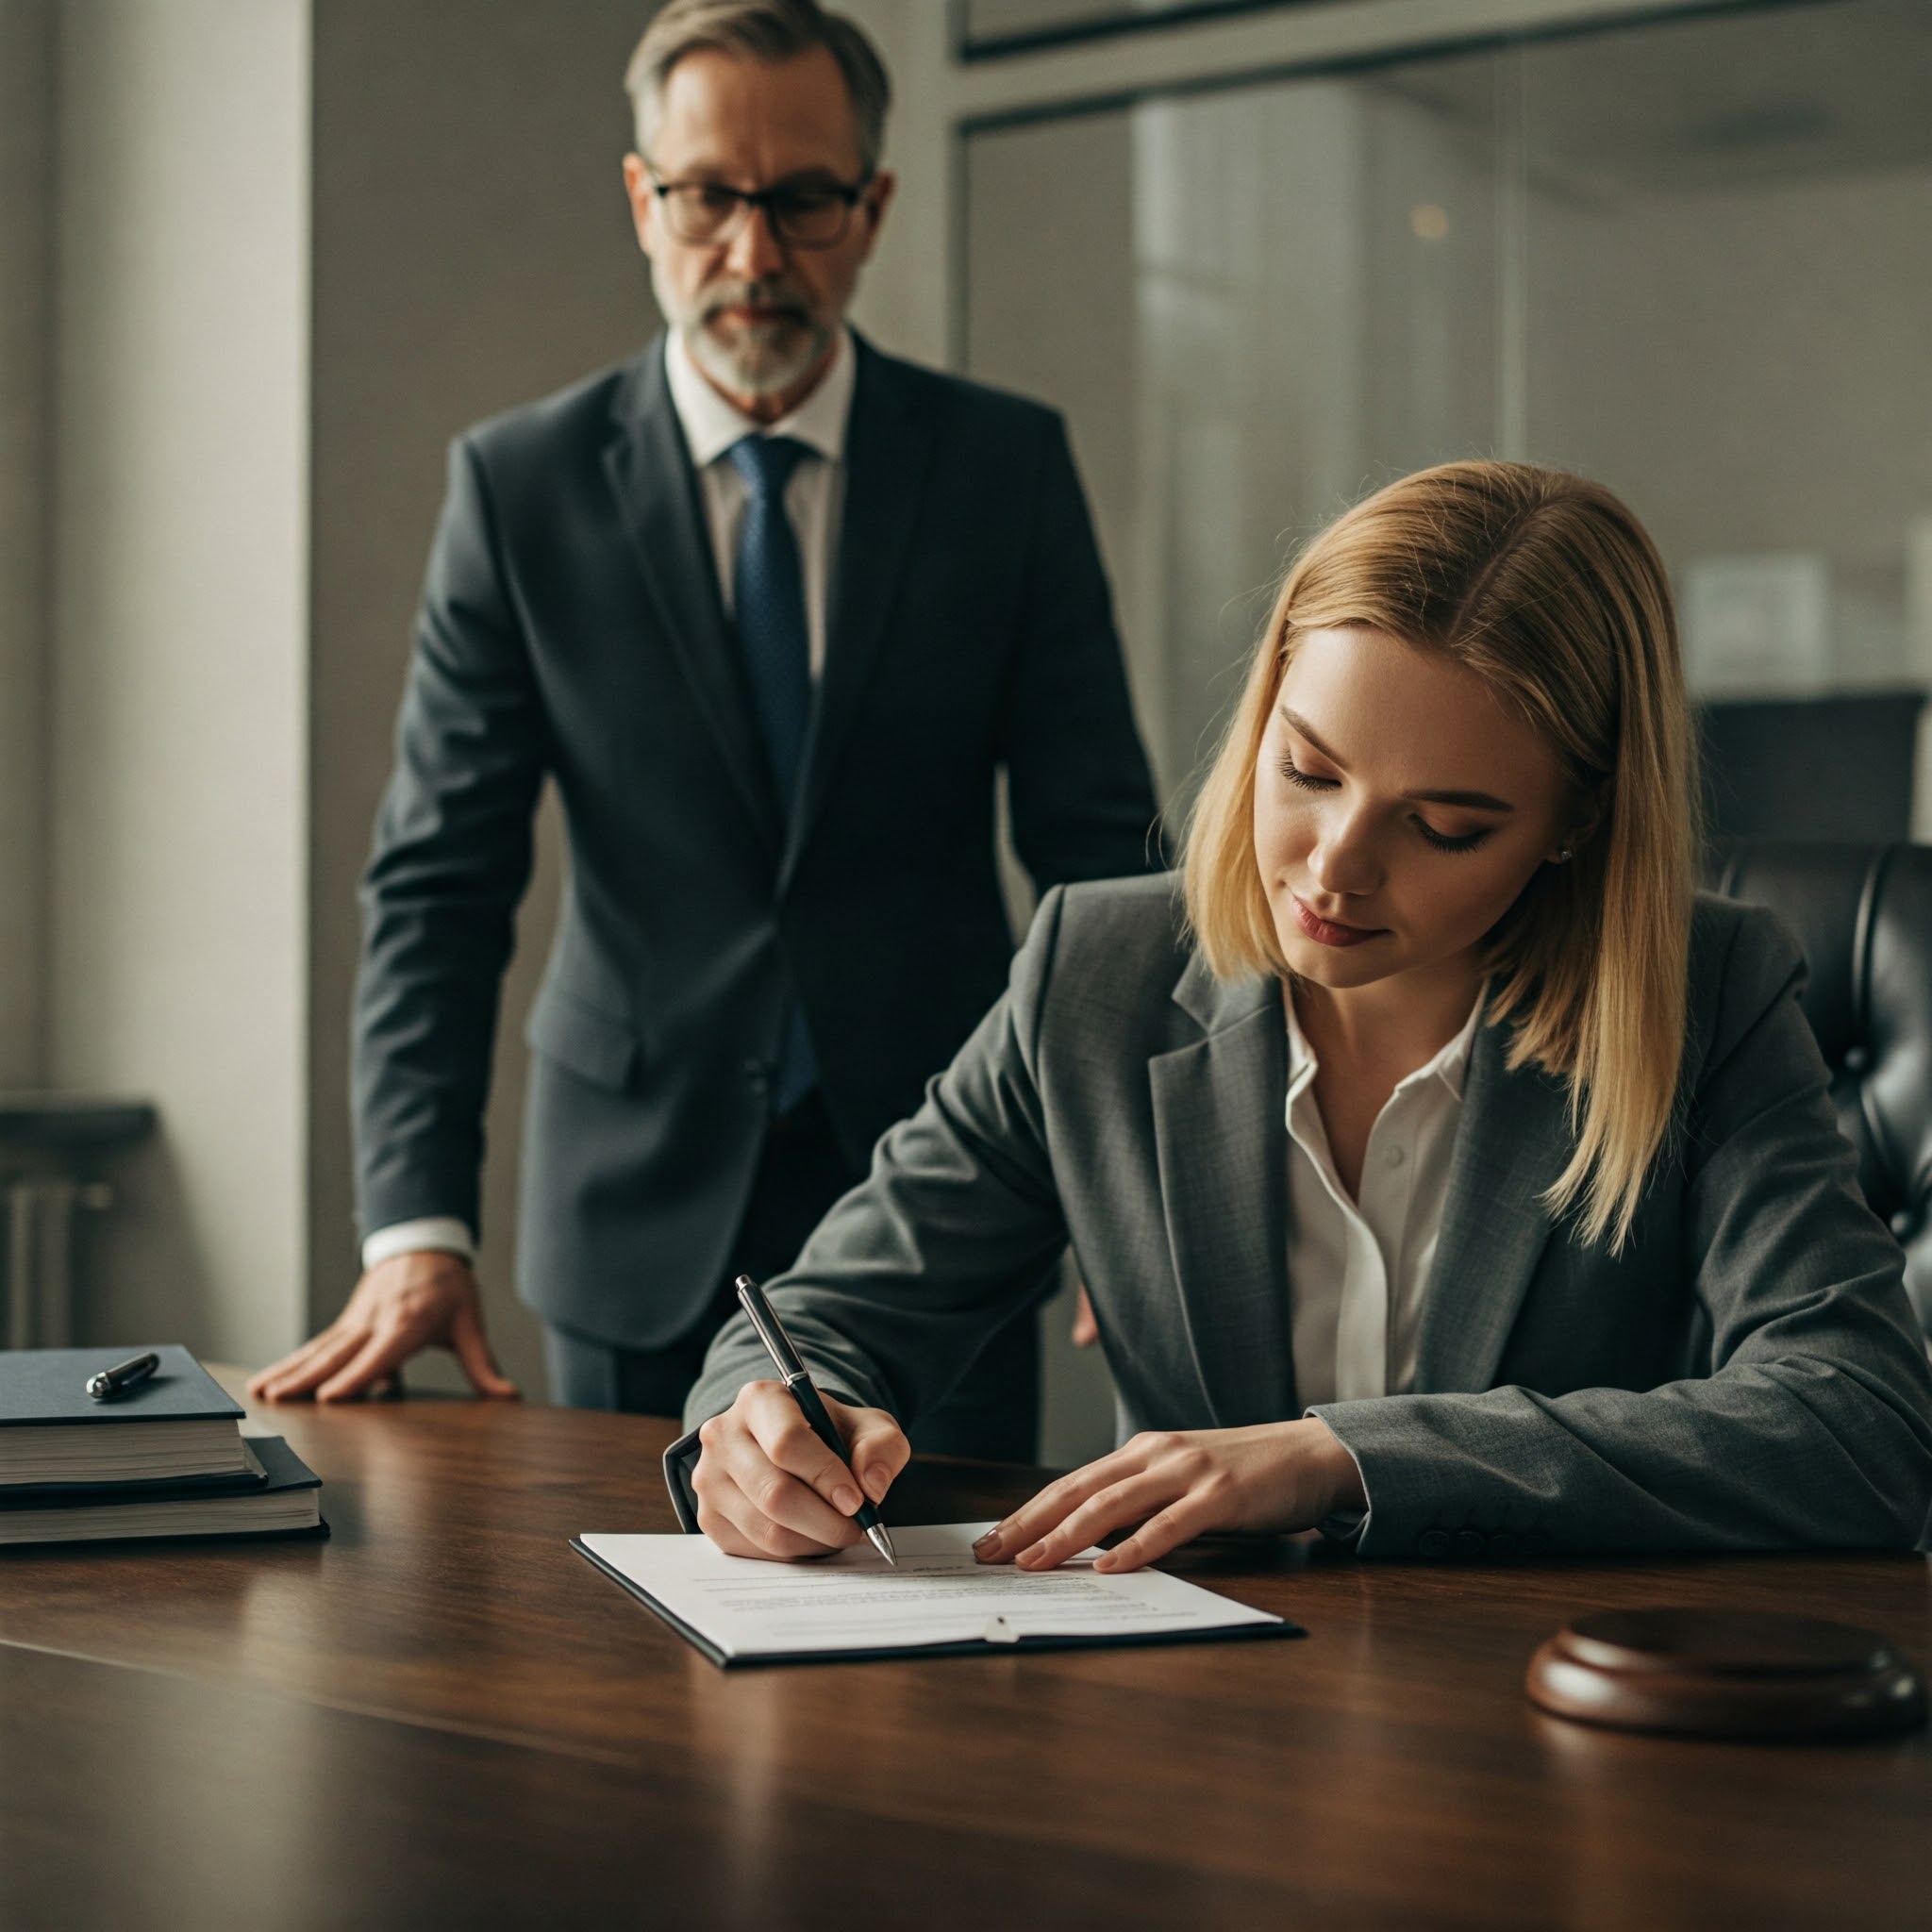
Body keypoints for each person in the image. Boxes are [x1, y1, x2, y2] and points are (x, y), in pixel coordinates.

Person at [672, 458, 1932, 1568]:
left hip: (1543, 1736)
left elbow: (1859, 1423)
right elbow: (826, 1313)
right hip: (1203, 1731)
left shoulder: (1708, 994)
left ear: (1578, 823)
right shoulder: (1096, 974)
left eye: (1445, 826)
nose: (1333, 867)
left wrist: (1347, 1458)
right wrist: (770, 1421)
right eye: (1306, 770)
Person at [248, 0, 1158, 1454]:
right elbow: (439, 881)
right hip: (628, 1207)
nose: (752, 256)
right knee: (628, 1653)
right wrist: (413, 1222)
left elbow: (1103, 861)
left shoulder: (1005, 470)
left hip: (947, 1201)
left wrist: (1133, 1180)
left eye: (800, 200)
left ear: (872, 206)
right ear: (640, 198)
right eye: (706, 199)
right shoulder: (519, 487)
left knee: (958, 1650)